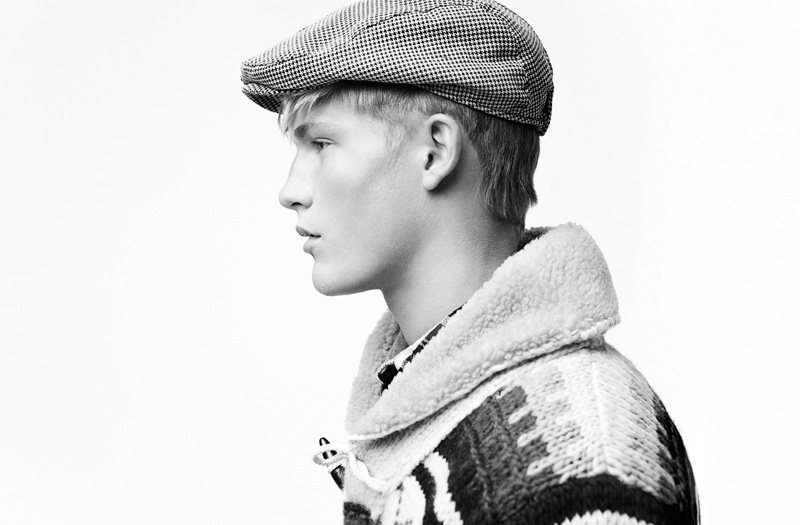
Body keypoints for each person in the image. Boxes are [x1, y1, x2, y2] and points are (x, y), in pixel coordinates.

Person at [240, 0, 699, 523]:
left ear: (435, 152)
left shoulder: (583, 468)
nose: (290, 192)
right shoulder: (442, 408)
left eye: (322, 143)